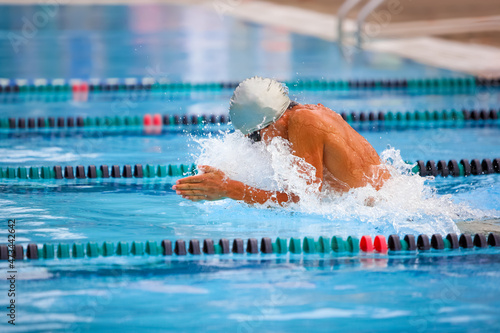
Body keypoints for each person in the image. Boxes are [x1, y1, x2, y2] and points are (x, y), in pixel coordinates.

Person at [172, 76, 390, 205]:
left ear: (269, 122)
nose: (262, 145)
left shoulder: (303, 122)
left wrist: (230, 189)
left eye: (256, 137)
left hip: (384, 209)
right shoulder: (310, 114)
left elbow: (305, 202)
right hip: (387, 199)